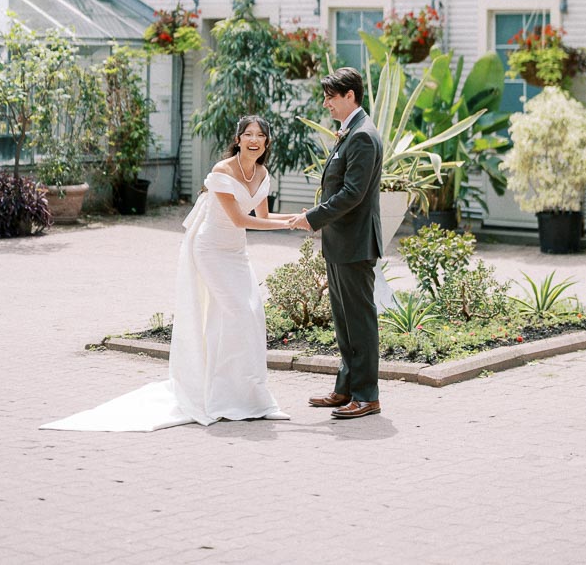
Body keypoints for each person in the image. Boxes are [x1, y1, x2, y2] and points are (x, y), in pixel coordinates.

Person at [41, 116, 293, 432]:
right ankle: (223, 397)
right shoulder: (222, 171)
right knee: (239, 313)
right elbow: (241, 219)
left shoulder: (262, 173)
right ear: (238, 139)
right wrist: (290, 225)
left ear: (266, 143)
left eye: (260, 136)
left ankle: (254, 397)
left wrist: (301, 217)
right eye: (248, 134)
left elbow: (264, 216)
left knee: (253, 316)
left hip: (236, 254)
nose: (253, 140)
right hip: (212, 251)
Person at [289, 66, 384, 420]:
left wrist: (312, 217)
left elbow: (352, 194)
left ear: (350, 96)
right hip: (341, 241)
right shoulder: (351, 131)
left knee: (359, 320)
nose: (326, 103)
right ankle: (346, 388)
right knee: (344, 321)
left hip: (356, 243)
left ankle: (366, 395)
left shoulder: (362, 135)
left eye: (331, 96)